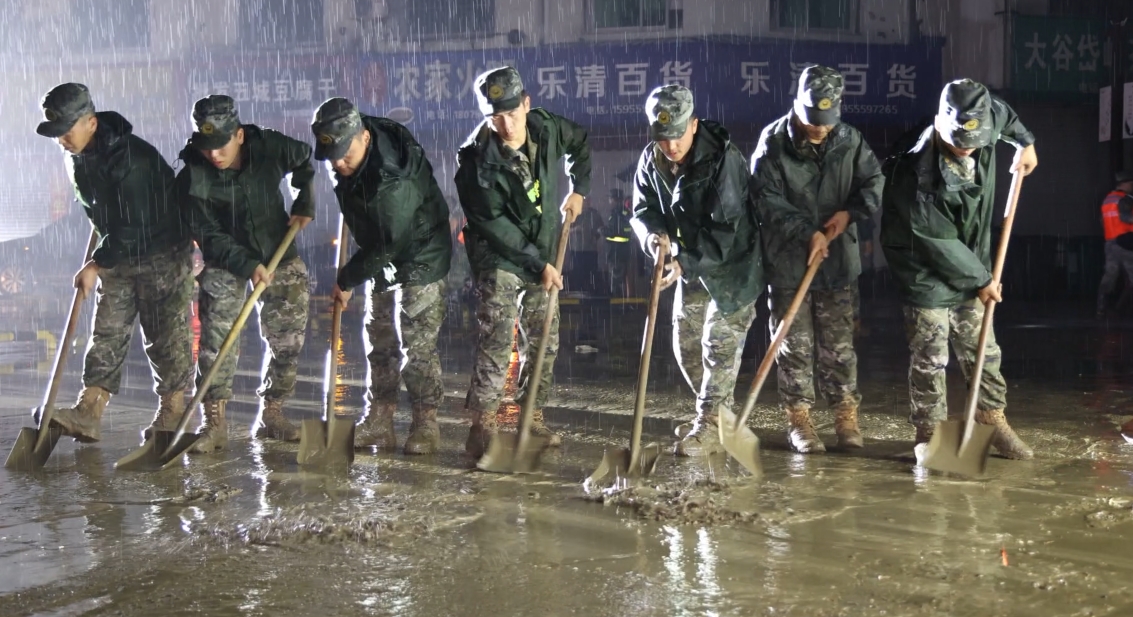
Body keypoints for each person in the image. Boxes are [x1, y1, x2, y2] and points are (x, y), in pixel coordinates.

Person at [880, 78, 1039, 459]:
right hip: (923, 265)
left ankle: (991, 419)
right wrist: (982, 279)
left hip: (970, 257)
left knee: (984, 348)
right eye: (958, 141)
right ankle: (930, 434)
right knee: (931, 355)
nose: (967, 148)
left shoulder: (984, 119)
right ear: (939, 123)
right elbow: (936, 239)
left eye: (974, 141)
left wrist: (1025, 143)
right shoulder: (913, 171)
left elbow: (1004, 115)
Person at [37, 83, 195, 443]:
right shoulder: (77, 155)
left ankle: (172, 411)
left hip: (161, 252)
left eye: (66, 130)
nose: (61, 140)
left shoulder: (132, 159)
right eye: (56, 133)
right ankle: (89, 410)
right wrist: (101, 245)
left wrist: (96, 264)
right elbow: (100, 210)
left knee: (165, 336)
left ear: (91, 123)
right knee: (107, 331)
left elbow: (135, 223)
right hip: (118, 251)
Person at [455, 66, 591, 458]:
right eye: (495, 117)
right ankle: (483, 424)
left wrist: (579, 189)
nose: (506, 125)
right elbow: (495, 225)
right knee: (498, 337)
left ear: (527, 104)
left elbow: (580, 143)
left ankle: (532, 416)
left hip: (541, 245)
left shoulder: (547, 128)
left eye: (512, 114)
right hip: (498, 253)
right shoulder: (475, 161)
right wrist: (539, 264)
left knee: (545, 334)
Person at [750, 65, 883, 453]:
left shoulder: (850, 139)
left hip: (837, 261)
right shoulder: (773, 143)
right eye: (812, 120)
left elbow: (873, 183)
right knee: (794, 345)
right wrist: (806, 232)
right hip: (788, 263)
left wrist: (849, 214)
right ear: (797, 104)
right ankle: (800, 421)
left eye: (826, 121)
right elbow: (764, 199)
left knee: (839, 347)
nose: (820, 129)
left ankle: (845, 417)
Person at [311, 97, 452, 455]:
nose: (338, 164)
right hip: (381, 250)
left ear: (364, 137)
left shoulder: (391, 178)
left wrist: (346, 279)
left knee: (416, 344)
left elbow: (391, 241)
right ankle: (380, 422)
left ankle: (425, 423)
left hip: (419, 253)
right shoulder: (356, 136)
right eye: (333, 157)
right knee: (381, 340)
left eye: (345, 155)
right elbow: (378, 236)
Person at [175, 95, 315, 452]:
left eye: (222, 145)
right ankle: (214, 423)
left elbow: (304, 158)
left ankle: (273, 413)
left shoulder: (269, 147)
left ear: (239, 135)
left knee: (288, 340)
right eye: (207, 146)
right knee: (217, 344)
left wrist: (304, 201)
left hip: (279, 253)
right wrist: (248, 265)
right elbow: (208, 234)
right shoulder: (192, 176)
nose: (214, 155)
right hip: (226, 260)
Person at [631, 84, 764, 456]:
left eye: (677, 135)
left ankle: (708, 426)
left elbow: (725, 230)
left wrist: (683, 261)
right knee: (686, 344)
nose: (671, 146)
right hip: (691, 266)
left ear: (693, 124)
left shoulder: (723, 159)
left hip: (733, 266)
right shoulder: (651, 158)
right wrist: (653, 237)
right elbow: (643, 209)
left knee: (717, 344)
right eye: (662, 137)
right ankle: (720, 419)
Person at [1096, 171, 1133, 319]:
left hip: (1110, 244)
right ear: (1125, 184)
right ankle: (1121, 309)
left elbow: (1102, 221)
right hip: (1125, 243)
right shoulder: (1125, 199)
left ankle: (1101, 309)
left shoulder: (1108, 199)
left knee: (1109, 277)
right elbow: (1126, 218)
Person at [605, 188, 636, 298]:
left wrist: (603, 231)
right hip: (623, 250)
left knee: (616, 277)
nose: (609, 201)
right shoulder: (625, 213)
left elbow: (615, 232)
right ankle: (622, 300)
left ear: (614, 199)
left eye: (610, 198)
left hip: (617, 251)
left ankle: (617, 301)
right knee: (622, 276)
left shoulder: (617, 213)